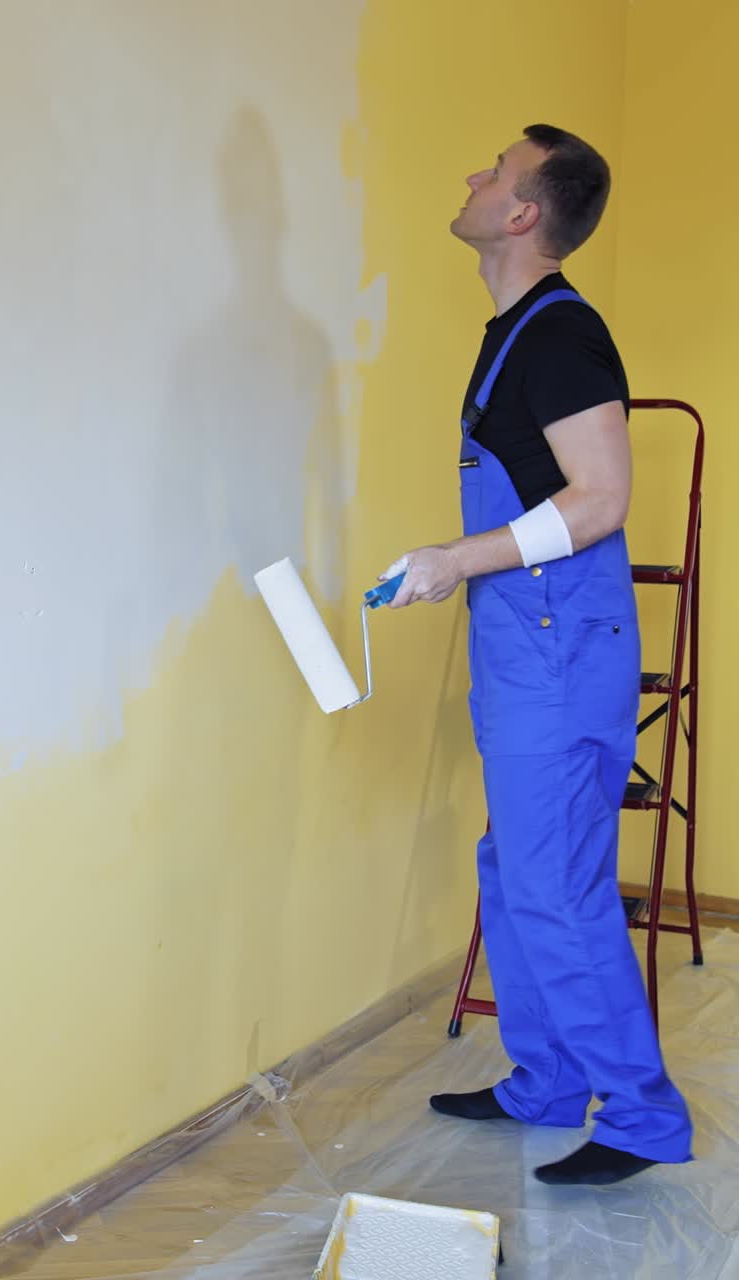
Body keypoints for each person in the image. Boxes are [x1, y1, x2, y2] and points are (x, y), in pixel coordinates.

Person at [381, 124, 693, 1185]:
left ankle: (640, 1114)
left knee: (555, 886)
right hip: (530, 648)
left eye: (493, 171)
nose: (471, 174)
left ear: (522, 213)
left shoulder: (559, 334)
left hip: (555, 653)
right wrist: (453, 569)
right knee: (513, 871)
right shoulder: (513, 330)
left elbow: (601, 497)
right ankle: (546, 1081)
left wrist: (456, 557)